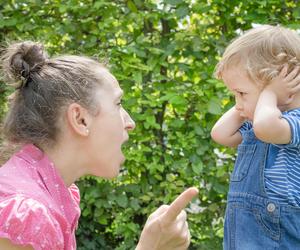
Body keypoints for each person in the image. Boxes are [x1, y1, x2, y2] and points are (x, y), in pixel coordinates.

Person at [0, 41, 198, 250]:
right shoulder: (26, 217)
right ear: (80, 119)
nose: (130, 123)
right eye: (118, 104)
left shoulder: (39, 192)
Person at [211, 24, 300, 250]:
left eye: (241, 93)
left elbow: (264, 127)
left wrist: (269, 92)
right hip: (244, 235)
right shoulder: (258, 121)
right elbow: (220, 134)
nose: (237, 104)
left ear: (284, 88)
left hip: (278, 238)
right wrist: (248, 102)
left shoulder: (290, 121)